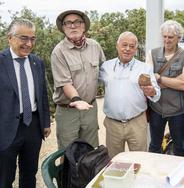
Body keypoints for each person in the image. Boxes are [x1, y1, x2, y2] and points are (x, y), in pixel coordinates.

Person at [0, 18, 51, 188]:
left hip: (32, 126)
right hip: (5, 128)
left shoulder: (37, 62)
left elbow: (42, 94)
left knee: (29, 174)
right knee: (4, 177)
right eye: (23, 38)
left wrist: (45, 122)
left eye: (32, 39)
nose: (29, 44)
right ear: (10, 38)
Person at [99, 31, 160, 158]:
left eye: (131, 46)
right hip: (113, 124)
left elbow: (156, 94)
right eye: (124, 45)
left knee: (140, 161)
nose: (127, 49)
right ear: (117, 46)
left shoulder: (144, 68)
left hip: (136, 122)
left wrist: (151, 91)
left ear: (135, 49)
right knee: (113, 162)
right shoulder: (106, 66)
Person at [51, 10, 105, 150]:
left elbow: (104, 72)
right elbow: (65, 83)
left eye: (77, 22)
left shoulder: (95, 46)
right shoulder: (59, 52)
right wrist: (76, 100)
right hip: (68, 111)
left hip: (90, 109)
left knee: (91, 151)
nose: (72, 26)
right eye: (67, 23)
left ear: (83, 26)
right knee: (68, 153)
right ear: (63, 28)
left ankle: (89, 173)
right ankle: (68, 173)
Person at [146, 20, 184, 156]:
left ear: (179, 38)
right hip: (156, 108)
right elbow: (148, 81)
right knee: (155, 146)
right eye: (164, 36)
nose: (167, 40)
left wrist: (159, 78)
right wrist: (174, 82)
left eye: (171, 37)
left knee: (179, 146)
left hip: (177, 110)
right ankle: (155, 174)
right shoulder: (152, 53)